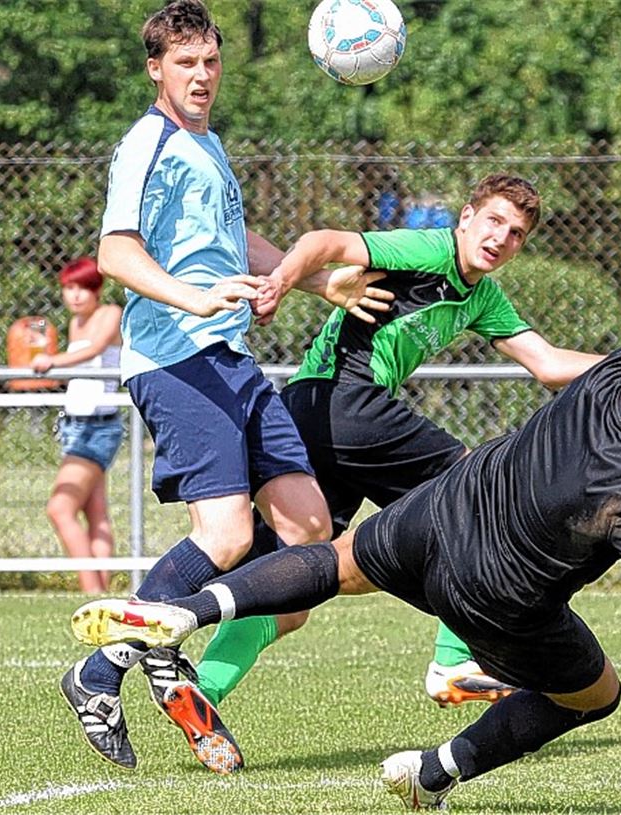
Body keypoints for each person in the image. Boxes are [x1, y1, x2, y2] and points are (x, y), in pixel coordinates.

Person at [70, 288, 621, 808]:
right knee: (592, 692)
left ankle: (180, 609)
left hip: (438, 512)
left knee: (337, 563)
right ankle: (436, 770)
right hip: (493, 593)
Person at [58, 0, 389, 776]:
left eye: (210, 61)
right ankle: (102, 671)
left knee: (310, 531)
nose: (202, 75)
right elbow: (114, 250)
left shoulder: (205, 142)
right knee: (229, 535)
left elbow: (233, 241)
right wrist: (188, 295)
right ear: (155, 69)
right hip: (176, 357)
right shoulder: (149, 141)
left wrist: (307, 281)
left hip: (231, 358)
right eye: (185, 62)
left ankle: (159, 648)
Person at [176, 173, 605, 767]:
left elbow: (550, 363)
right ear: (465, 217)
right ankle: (453, 660)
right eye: (494, 222)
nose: (502, 238)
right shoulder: (427, 250)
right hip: (338, 398)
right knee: (470, 487)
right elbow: (325, 240)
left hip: (327, 417)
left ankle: (197, 688)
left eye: (517, 233)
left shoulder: (482, 297)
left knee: (291, 592)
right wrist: (281, 280)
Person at [31, 257, 124, 594]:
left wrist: (51, 361)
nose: (75, 296)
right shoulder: (74, 323)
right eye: (69, 288)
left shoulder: (109, 314)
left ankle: (92, 595)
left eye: (83, 287)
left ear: (97, 289)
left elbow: (96, 350)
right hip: (74, 426)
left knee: (60, 508)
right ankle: (103, 595)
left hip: (96, 428)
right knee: (95, 513)